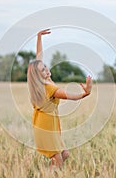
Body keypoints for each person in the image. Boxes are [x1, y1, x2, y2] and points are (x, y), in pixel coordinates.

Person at [27, 29, 92, 168]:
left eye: (44, 66)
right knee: (58, 161)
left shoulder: (44, 81)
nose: (46, 68)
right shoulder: (48, 88)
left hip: (47, 125)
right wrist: (84, 94)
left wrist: (38, 37)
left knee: (64, 154)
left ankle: (47, 173)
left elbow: (39, 57)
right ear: (38, 76)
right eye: (43, 70)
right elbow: (69, 95)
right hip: (45, 127)